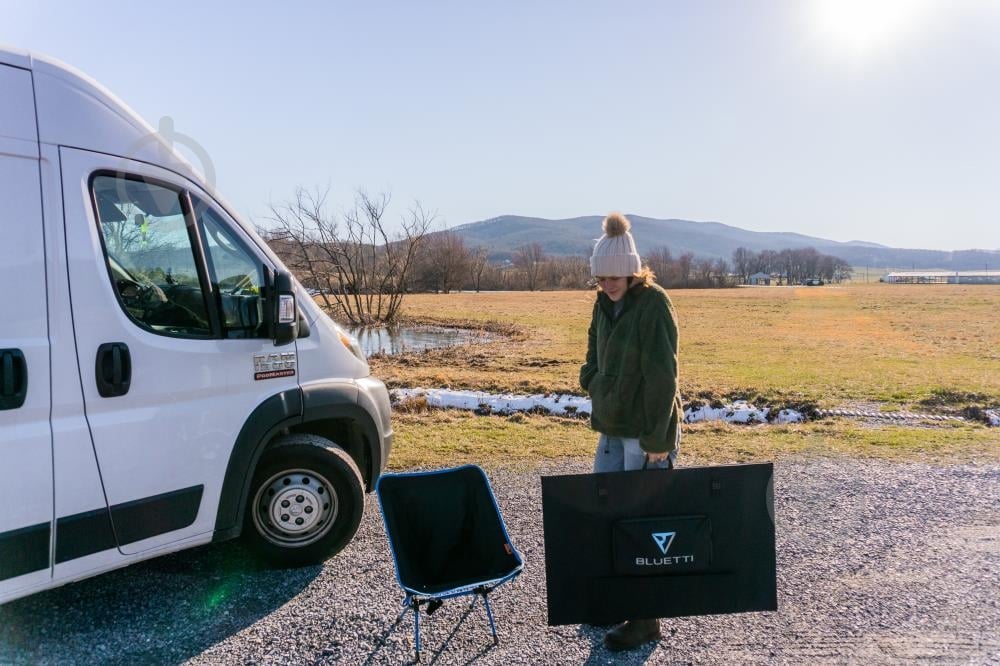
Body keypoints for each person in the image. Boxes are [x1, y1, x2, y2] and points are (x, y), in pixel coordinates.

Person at [579, 211, 682, 652]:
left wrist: (658, 443)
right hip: (611, 426)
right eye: (601, 276)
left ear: (632, 269)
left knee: (643, 525)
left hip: (645, 432)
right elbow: (591, 354)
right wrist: (593, 381)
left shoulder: (654, 304)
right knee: (610, 515)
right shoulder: (603, 304)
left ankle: (645, 619)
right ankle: (620, 599)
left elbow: (664, 377)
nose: (608, 283)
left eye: (615, 275)